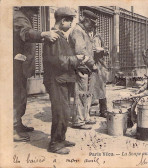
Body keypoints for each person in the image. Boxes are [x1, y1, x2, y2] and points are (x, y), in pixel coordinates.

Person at [42, 7, 86, 154]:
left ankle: (61, 138)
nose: (71, 25)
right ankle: (55, 144)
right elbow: (57, 60)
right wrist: (76, 59)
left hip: (63, 79)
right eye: (70, 21)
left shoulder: (60, 36)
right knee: (60, 112)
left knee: (65, 111)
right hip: (57, 81)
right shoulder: (54, 37)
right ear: (63, 21)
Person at [13, 6, 59, 142]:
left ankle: (18, 123)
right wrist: (44, 34)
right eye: (33, 12)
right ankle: (11, 129)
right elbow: (26, 33)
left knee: (20, 95)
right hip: (15, 65)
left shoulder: (22, 16)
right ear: (28, 9)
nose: (34, 16)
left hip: (20, 65)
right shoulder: (19, 17)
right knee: (15, 96)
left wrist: (42, 38)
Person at [68, 10, 98, 129]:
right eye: (91, 24)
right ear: (85, 20)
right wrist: (92, 64)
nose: (92, 27)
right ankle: (78, 121)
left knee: (87, 94)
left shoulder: (84, 31)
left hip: (86, 68)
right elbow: (80, 51)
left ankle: (85, 116)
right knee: (80, 94)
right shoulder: (77, 31)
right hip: (81, 67)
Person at [92, 31, 109, 118]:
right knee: (92, 89)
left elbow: (103, 50)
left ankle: (103, 110)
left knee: (101, 88)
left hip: (99, 66)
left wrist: (103, 50)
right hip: (92, 65)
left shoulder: (98, 37)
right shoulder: (87, 36)